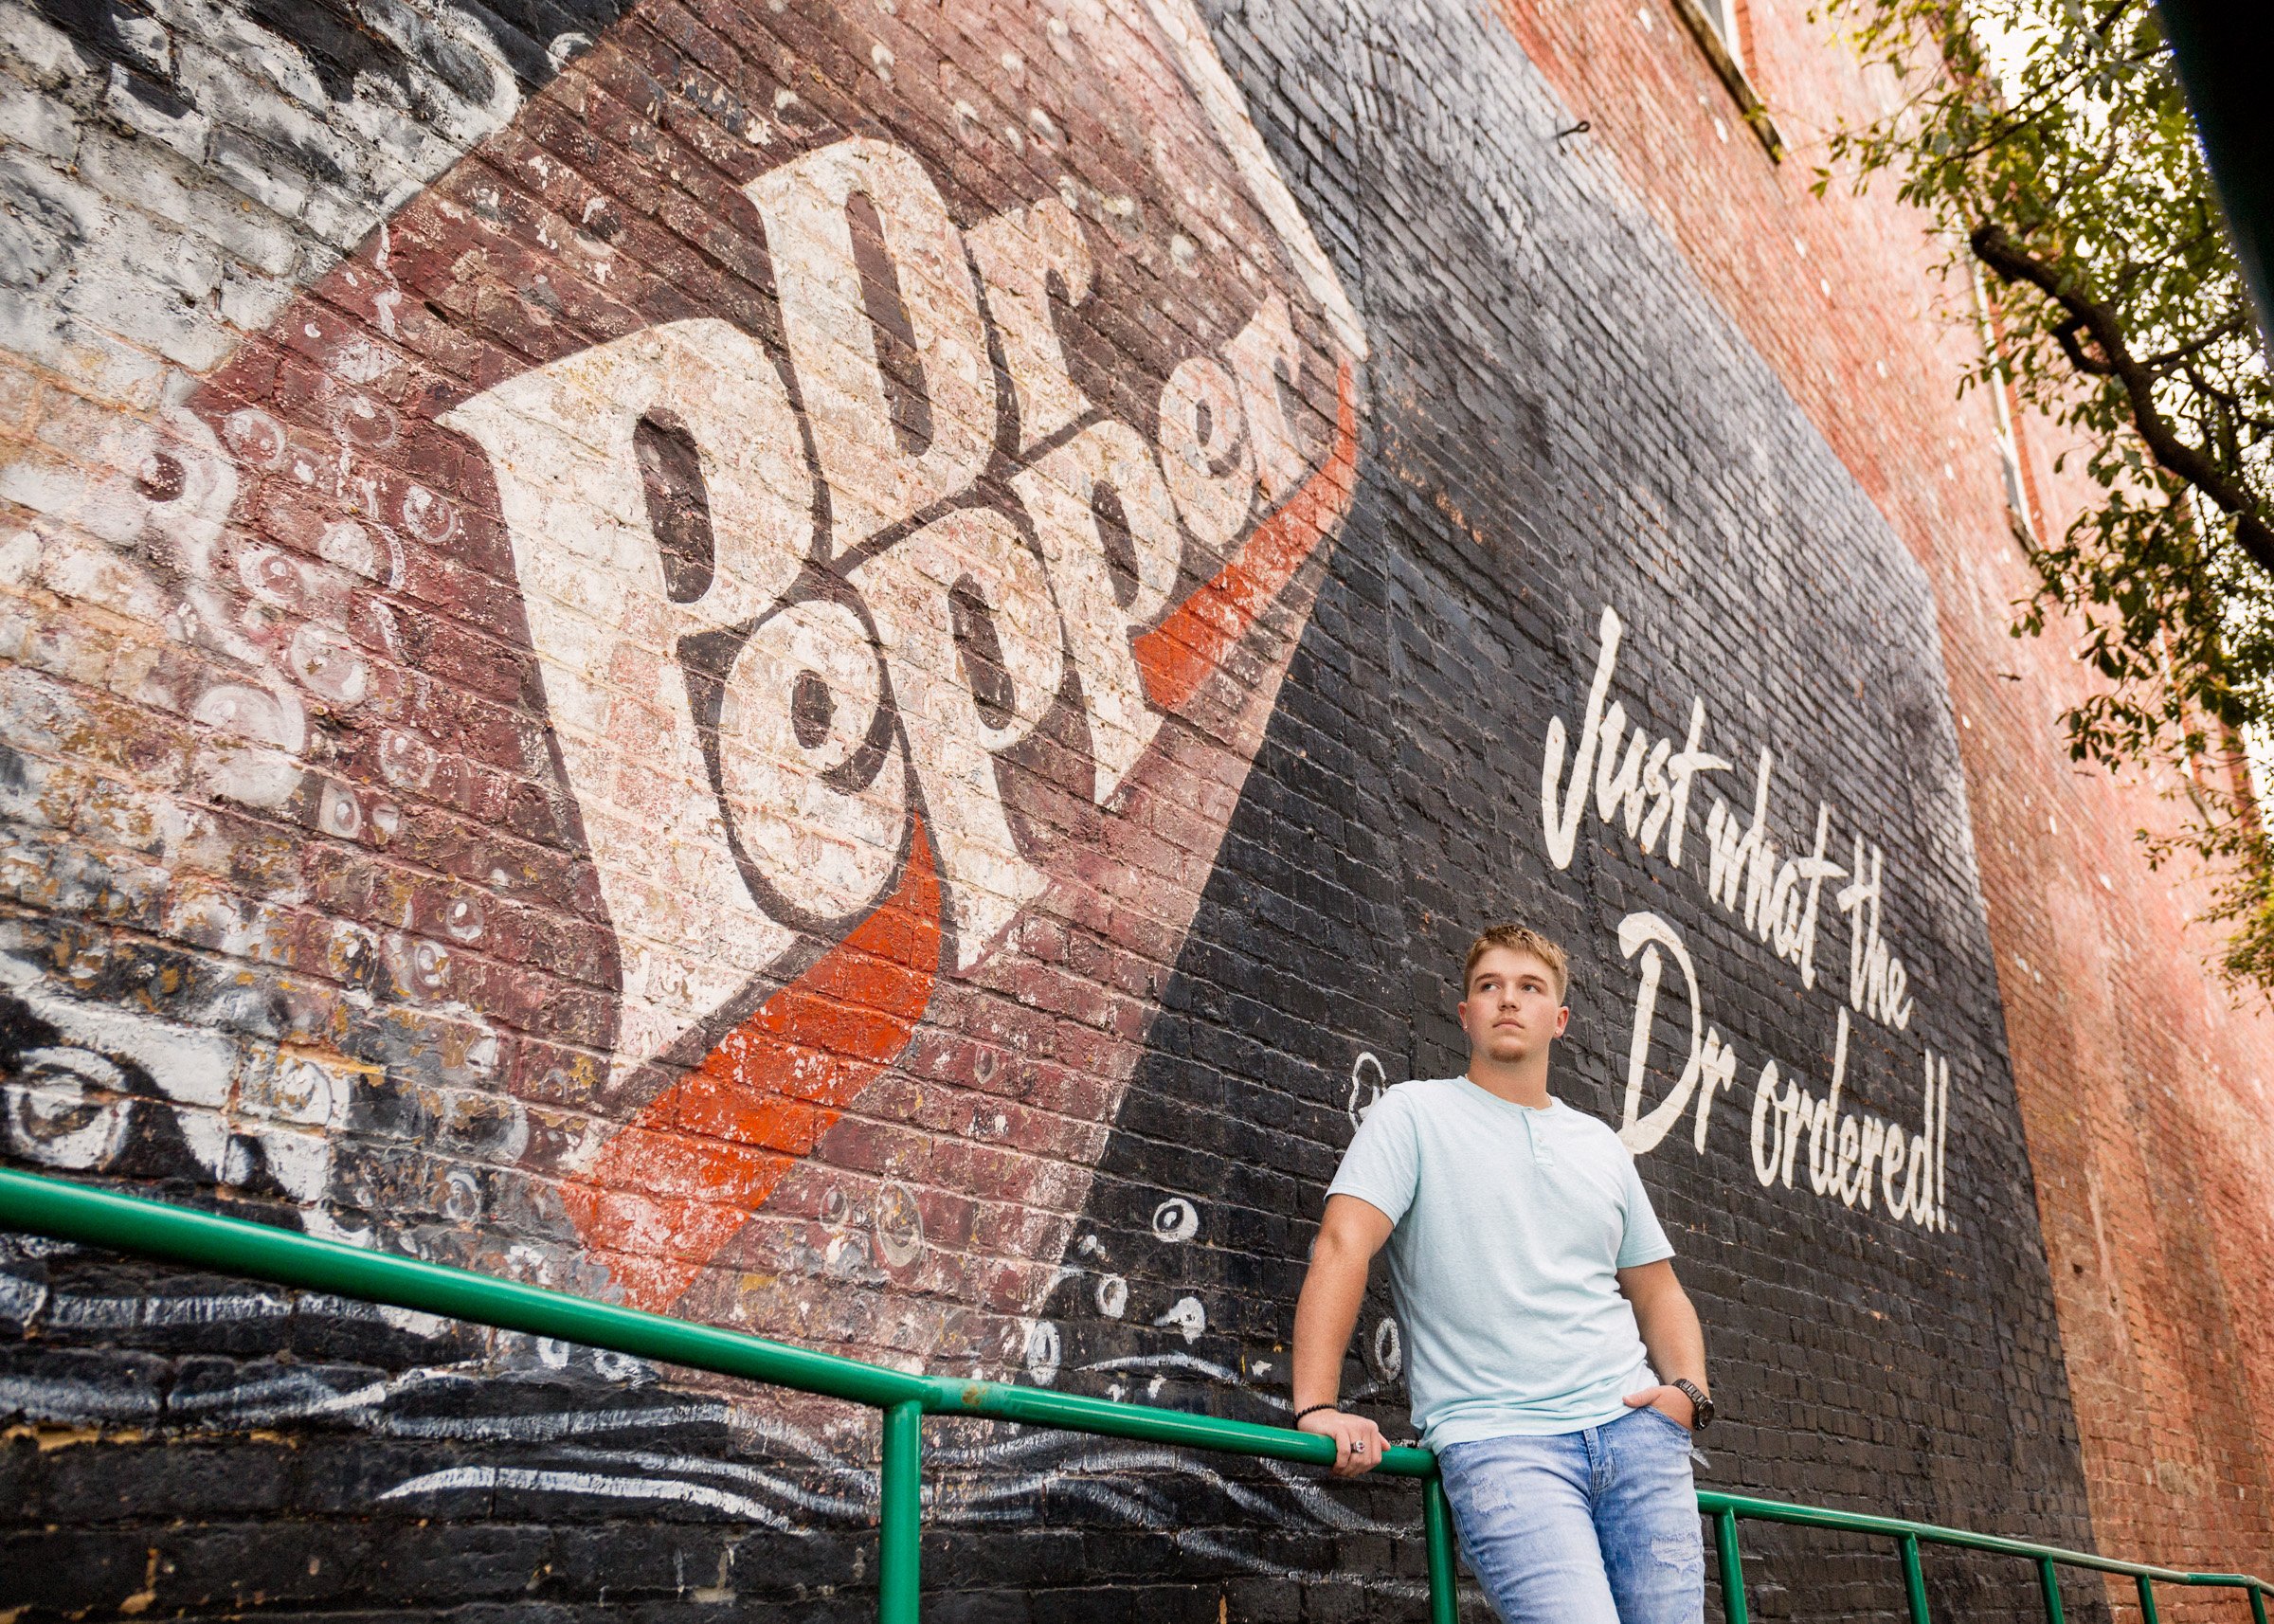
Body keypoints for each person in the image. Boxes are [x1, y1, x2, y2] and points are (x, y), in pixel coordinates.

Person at [1289, 923, 1712, 1624]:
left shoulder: (1600, 1146)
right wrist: (1317, 1406)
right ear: (1465, 1014)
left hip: (1639, 1436)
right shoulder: (1413, 1116)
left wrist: (1688, 1394)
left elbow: (1658, 1288)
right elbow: (1341, 1246)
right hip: (1502, 1443)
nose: (1507, 1001)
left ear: (1559, 1019)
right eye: (1489, 987)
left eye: (1529, 988)